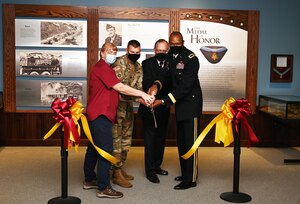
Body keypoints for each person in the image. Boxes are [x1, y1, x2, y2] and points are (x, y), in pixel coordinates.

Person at [83, 42, 154, 199]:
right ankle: (103, 187)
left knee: (94, 148)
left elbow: (121, 94)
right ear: (102, 53)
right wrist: (143, 95)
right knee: (106, 149)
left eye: (114, 51)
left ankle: (89, 179)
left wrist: (143, 99)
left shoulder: (108, 69)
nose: (112, 54)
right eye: (109, 51)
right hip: (100, 115)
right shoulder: (102, 68)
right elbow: (120, 87)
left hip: (101, 113)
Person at [150, 31, 203, 190]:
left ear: (183, 42)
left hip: (190, 106)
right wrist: (156, 85)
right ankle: (185, 173)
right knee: (182, 142)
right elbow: (165, 76)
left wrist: (163, 101)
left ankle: (191, 179)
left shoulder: (191, 59)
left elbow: (185, 87)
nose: (174, 47)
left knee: (190, 144)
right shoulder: (170, 58)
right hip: (180, 105)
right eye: (171, 45)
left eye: (177, 44)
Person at [110, 40, 143, 188]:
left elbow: (138, 87)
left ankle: (120, 167)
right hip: (116, 109)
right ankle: (115, 173)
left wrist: (143, 97)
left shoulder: (138, 67)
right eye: (132, 52)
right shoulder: (117, 63)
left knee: (126, 140)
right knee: (116, 141)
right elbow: (119, 88)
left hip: (129, 108)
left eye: (137, 53)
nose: (135, 55)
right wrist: (140, 96)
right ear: (127, 50)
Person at [138, 39, 171, 183]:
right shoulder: (146, 64)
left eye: (164, 51)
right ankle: (150, 171)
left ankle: (157, 165)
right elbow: (145, 82)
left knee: (160, 139)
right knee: (150, 140)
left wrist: (161, 95)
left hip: (163, 106)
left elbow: (171, 83)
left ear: (167, 51)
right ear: (154, 50)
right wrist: (153, 89)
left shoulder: (171, 64)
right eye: (159, 50)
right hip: (148, 107)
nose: (161, 53)